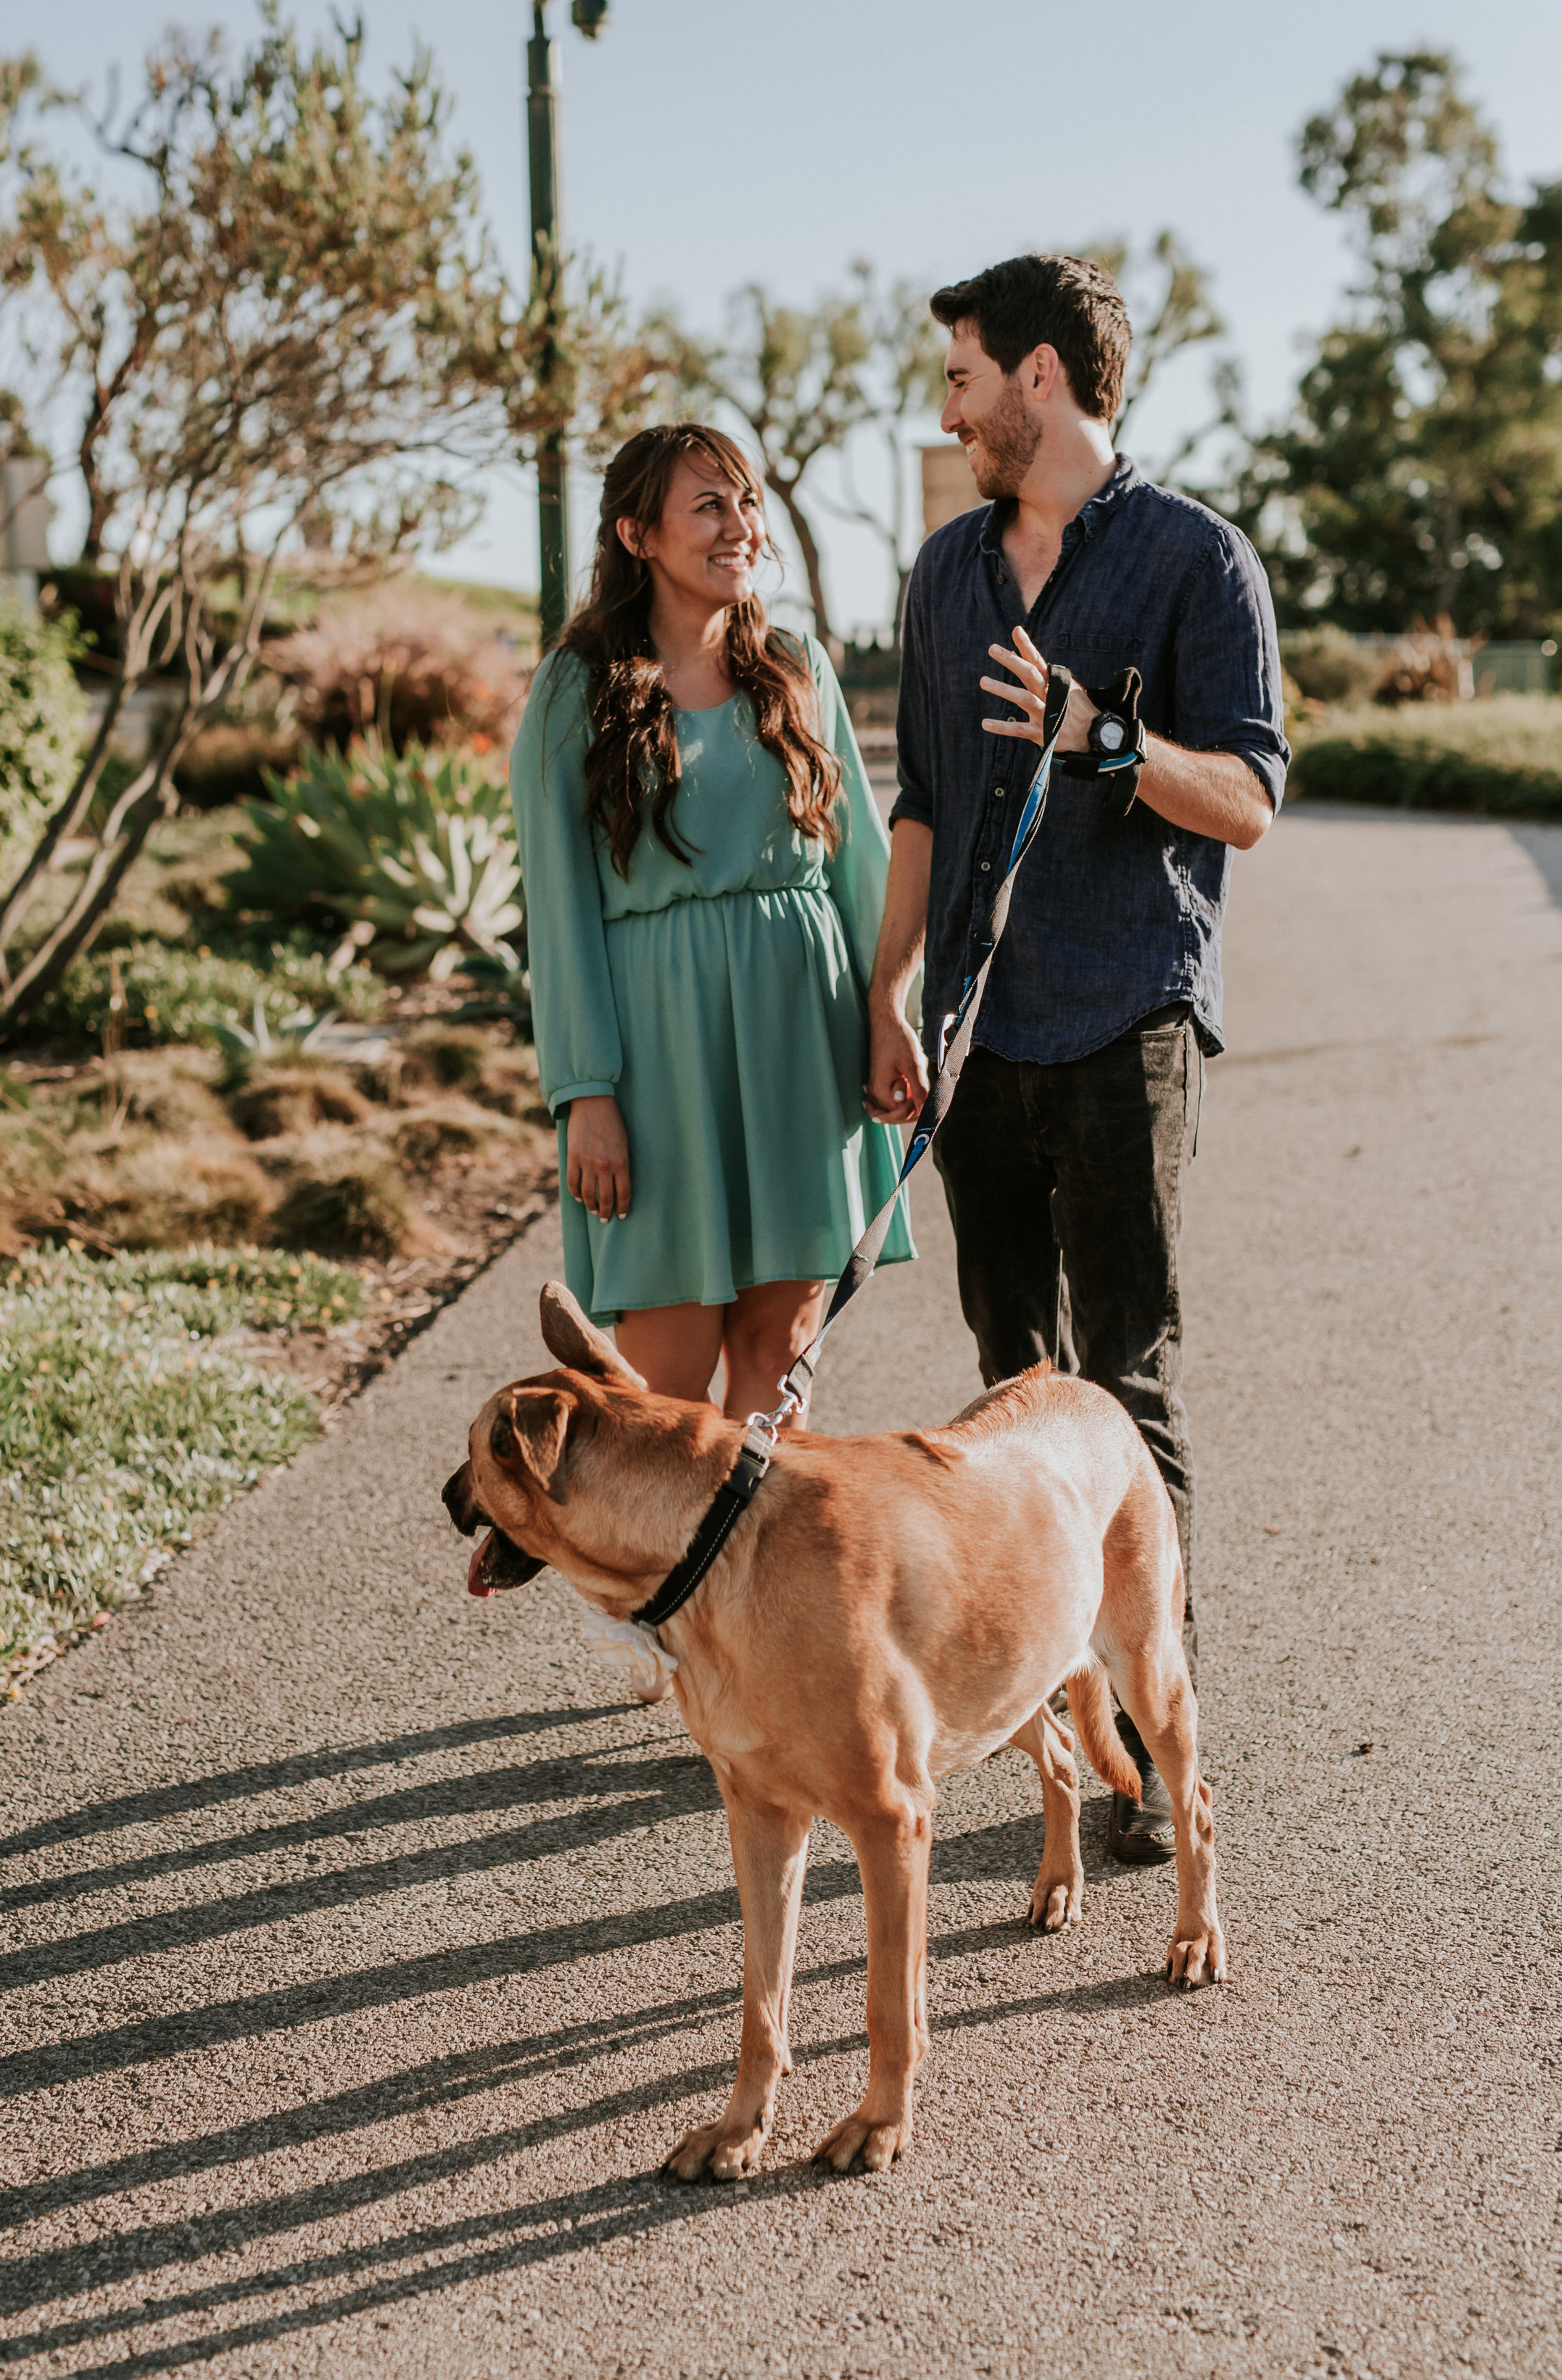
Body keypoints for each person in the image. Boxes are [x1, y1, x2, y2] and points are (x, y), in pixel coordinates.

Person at [864, 253, 1288, 1864]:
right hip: (979, 1032)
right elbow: (918, 803)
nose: (948, 407)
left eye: (962, 376)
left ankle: (1151, 1752)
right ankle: (1051, 1729)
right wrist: (888, 991)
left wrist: (1103, 738)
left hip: (1124, 1024)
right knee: (1007, 1391)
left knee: (1120, 1380)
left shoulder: (1196, 562)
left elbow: (1246, 797)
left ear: (1039, 378)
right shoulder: (946, 572)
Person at [511, 422, 912, 1421]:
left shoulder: (796, 664)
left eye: (747, 503)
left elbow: (859, 860)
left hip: (800, 1041)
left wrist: (890, 1009)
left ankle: (761, 1583)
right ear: (637, 534)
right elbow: (558, 912)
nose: (741, 527)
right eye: (709, 506)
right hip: (659, 1058)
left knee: (778, 1370)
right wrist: (586, 1093)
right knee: (664, 1394)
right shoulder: (575, 692)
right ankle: (670, 1582)